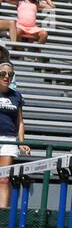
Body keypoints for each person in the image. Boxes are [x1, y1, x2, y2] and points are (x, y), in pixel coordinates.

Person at [0, 64, 30, 218]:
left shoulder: (16, 96)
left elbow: (20, 122)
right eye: (3, 73)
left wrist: (22, 141)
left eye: (10, 74)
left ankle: (3, 215)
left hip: (9, 140)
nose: (6, 77)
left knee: (4, 179)